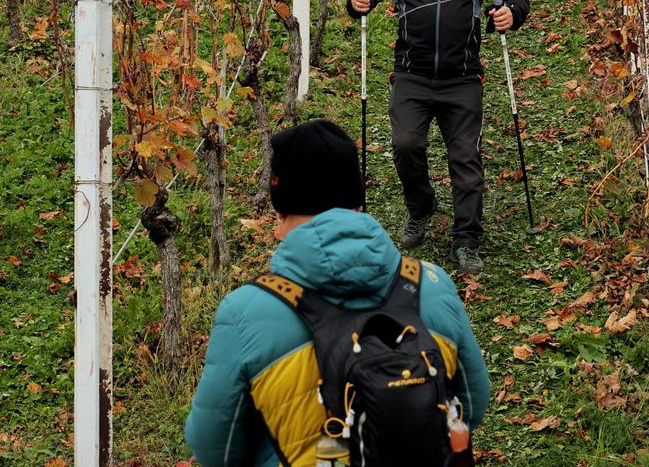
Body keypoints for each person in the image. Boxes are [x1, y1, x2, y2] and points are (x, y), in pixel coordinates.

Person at [185, 117, 490, 466]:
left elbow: (215, 449)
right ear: (356, 199)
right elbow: (472, 403)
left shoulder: (244, 312)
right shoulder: (431, 284)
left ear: (280, 205)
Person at [347, 0, 530, 276]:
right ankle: (421, 207)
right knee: (405, 144)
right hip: (411, 76)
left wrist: (511, 13)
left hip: (462, 79)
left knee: (466, 159)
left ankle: (466, 240)